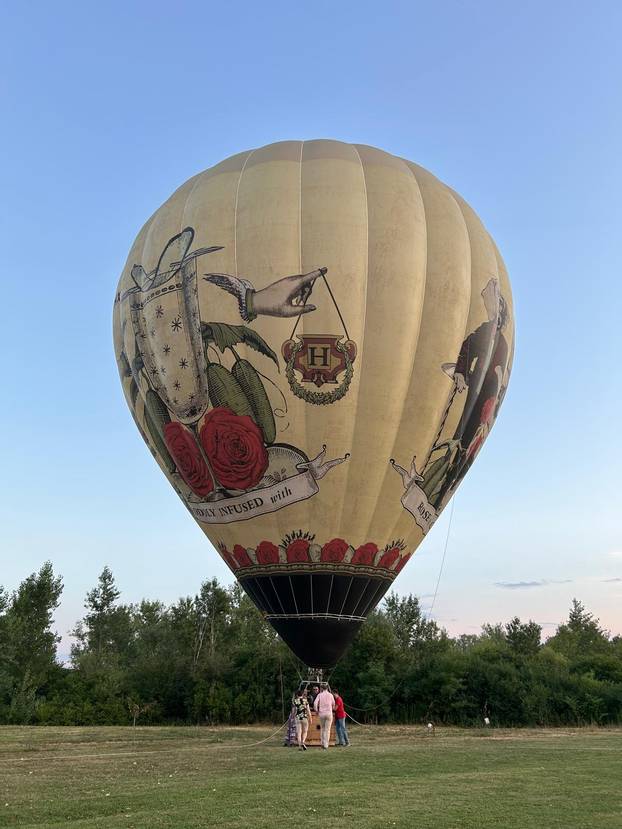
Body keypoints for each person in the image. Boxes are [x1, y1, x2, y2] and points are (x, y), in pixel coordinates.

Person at [313, 685, 335, 750]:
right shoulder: (331, 695)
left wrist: (316, 710)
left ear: (322, 688)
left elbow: (315, 703)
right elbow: (333, 704)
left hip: (321, 713)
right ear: (327, 688)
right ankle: (326, 745)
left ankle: (322, 743)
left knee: (322, 728)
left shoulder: (319, 695)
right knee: (327, 729)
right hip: (329, 713)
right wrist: (332, 709)